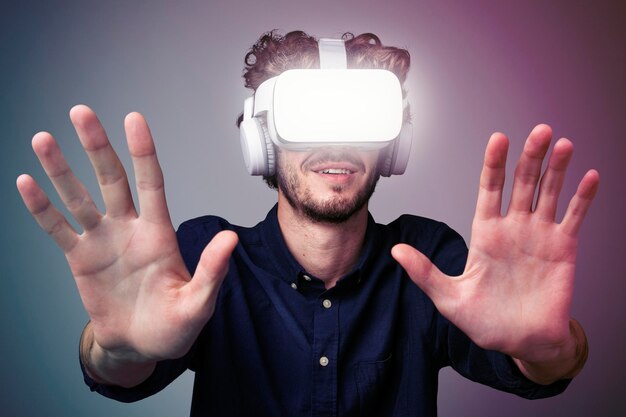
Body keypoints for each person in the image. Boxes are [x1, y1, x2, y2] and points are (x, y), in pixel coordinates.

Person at [16, 30, 599, 416]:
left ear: (395, 147)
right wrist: (114, 351)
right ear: (260, 143)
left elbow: (541, 366)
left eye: (358, 118)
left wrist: (553, 347)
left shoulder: (427, 261)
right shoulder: (205, 258)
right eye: (306, 118)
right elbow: (116, 370)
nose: (335, 139)